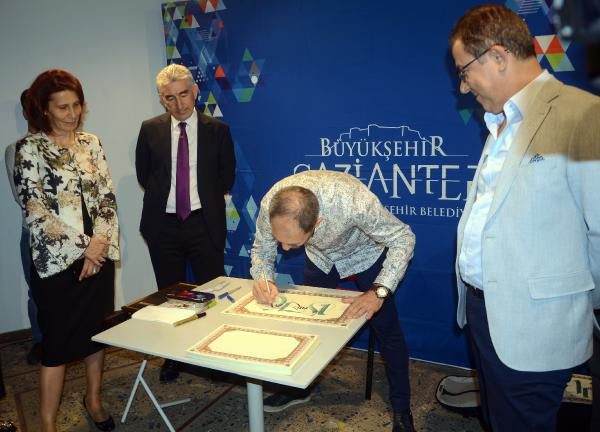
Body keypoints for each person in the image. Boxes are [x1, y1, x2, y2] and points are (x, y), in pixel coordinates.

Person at [450, 5, 600, 431]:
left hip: (536, 327)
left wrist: (573, 304)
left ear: (498, 57)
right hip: (485, 315)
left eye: (464, 71)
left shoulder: (582, 115)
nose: (463, 86)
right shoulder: (500, 122)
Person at [250, 170, 416, 432]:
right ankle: (300, 388)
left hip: (365, 254)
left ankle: (402, 408)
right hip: (320, 258)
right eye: (281, 240)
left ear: (318, 223)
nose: (285, 249)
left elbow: (403, 238)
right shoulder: (272, 201)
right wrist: (263, 278)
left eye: (292, 243)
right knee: (311, 325)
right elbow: (262, 248)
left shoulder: (353, 200)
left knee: (387, 330)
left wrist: (379, 292)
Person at [14, 69, 120, 432]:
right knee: (56, 344)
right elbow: (35, 210)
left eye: (77, 105)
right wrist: (85, 247)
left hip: (98, 256)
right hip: (57, 262)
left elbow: (106, 196)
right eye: (63, 107)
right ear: (44, 109)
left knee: (95, 334)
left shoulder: (91, 142)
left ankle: (94, 400)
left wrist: (99, 244)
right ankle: (47, 423)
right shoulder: (30, 148)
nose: (72, 113)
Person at [135, 63, 236, 382]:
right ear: (161, 98)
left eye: (183, 94)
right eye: (170, 98)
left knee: (211, 293)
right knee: (170, 296)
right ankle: (173, 356)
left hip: (203, 223)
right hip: (162, 226)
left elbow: (226, 176)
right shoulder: (149, 129)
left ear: (195, 91)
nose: (179, 104)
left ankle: (215, 355)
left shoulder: (217, 130)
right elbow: (144, 174)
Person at [5, 89, 42, 365]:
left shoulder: (66, 145)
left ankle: (72, 339)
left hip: (73, 235)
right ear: (25, 111)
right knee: (37, 292)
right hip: (33, 234)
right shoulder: (15, 150)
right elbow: (23, 197)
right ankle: (41, 341)